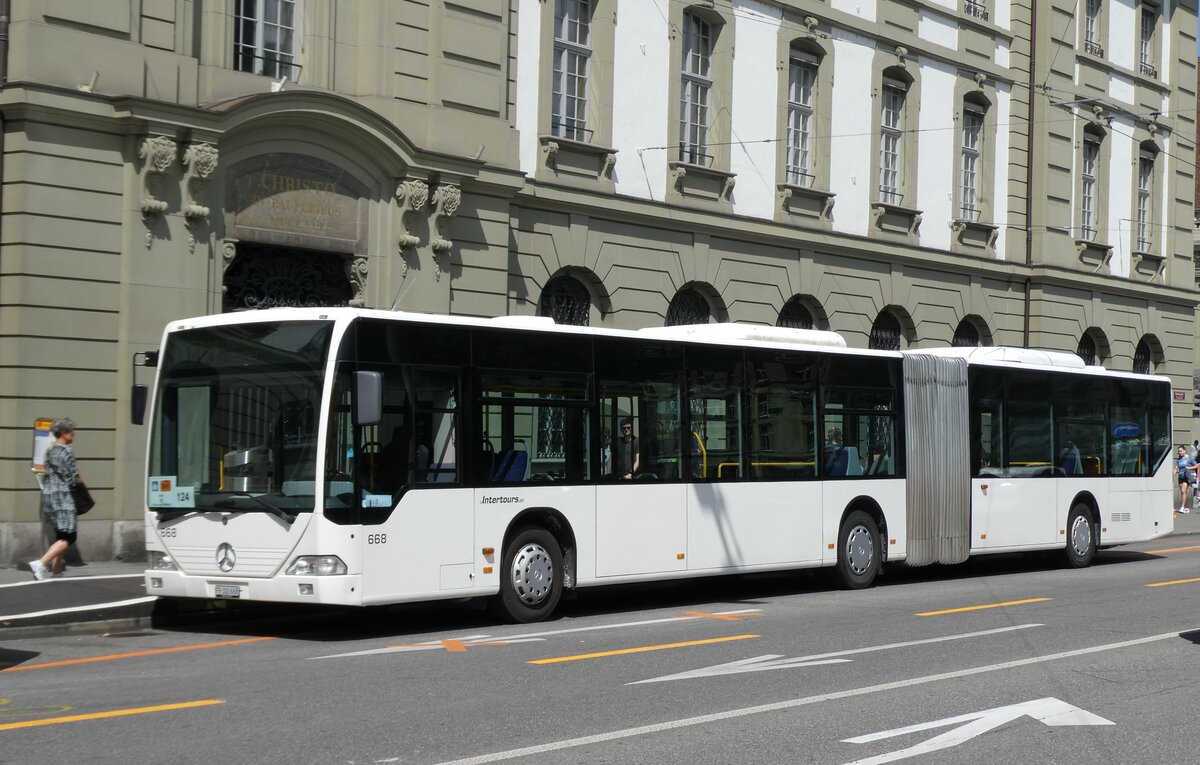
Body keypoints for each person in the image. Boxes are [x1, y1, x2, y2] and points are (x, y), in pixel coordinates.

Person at [30, 418, 83, 580]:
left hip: (49, 496)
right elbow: (73, 477)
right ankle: (41, 563)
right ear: (65, 433)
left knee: (61, 534)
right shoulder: (67, 451)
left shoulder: (50, 451)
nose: (73, 435)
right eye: (71, 431)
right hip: (63, 497)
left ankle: (57, 570)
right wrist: (81, 486)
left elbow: (48, 471)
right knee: (69, 536)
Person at [1176, 445, 1197, 514]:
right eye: (1179, 451)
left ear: (1185, 451)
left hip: (1186, 477)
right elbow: (1177, 467)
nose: (1179, 452)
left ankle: (1182, 507)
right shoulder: (1178, 459)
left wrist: (1189, 468)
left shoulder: (1189, 458)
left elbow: (1197, 465)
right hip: (1180, 477)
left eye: (1181, 451)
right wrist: (1175, 471)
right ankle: (1186, 507)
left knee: (1183, 490)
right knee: (1183, 493)